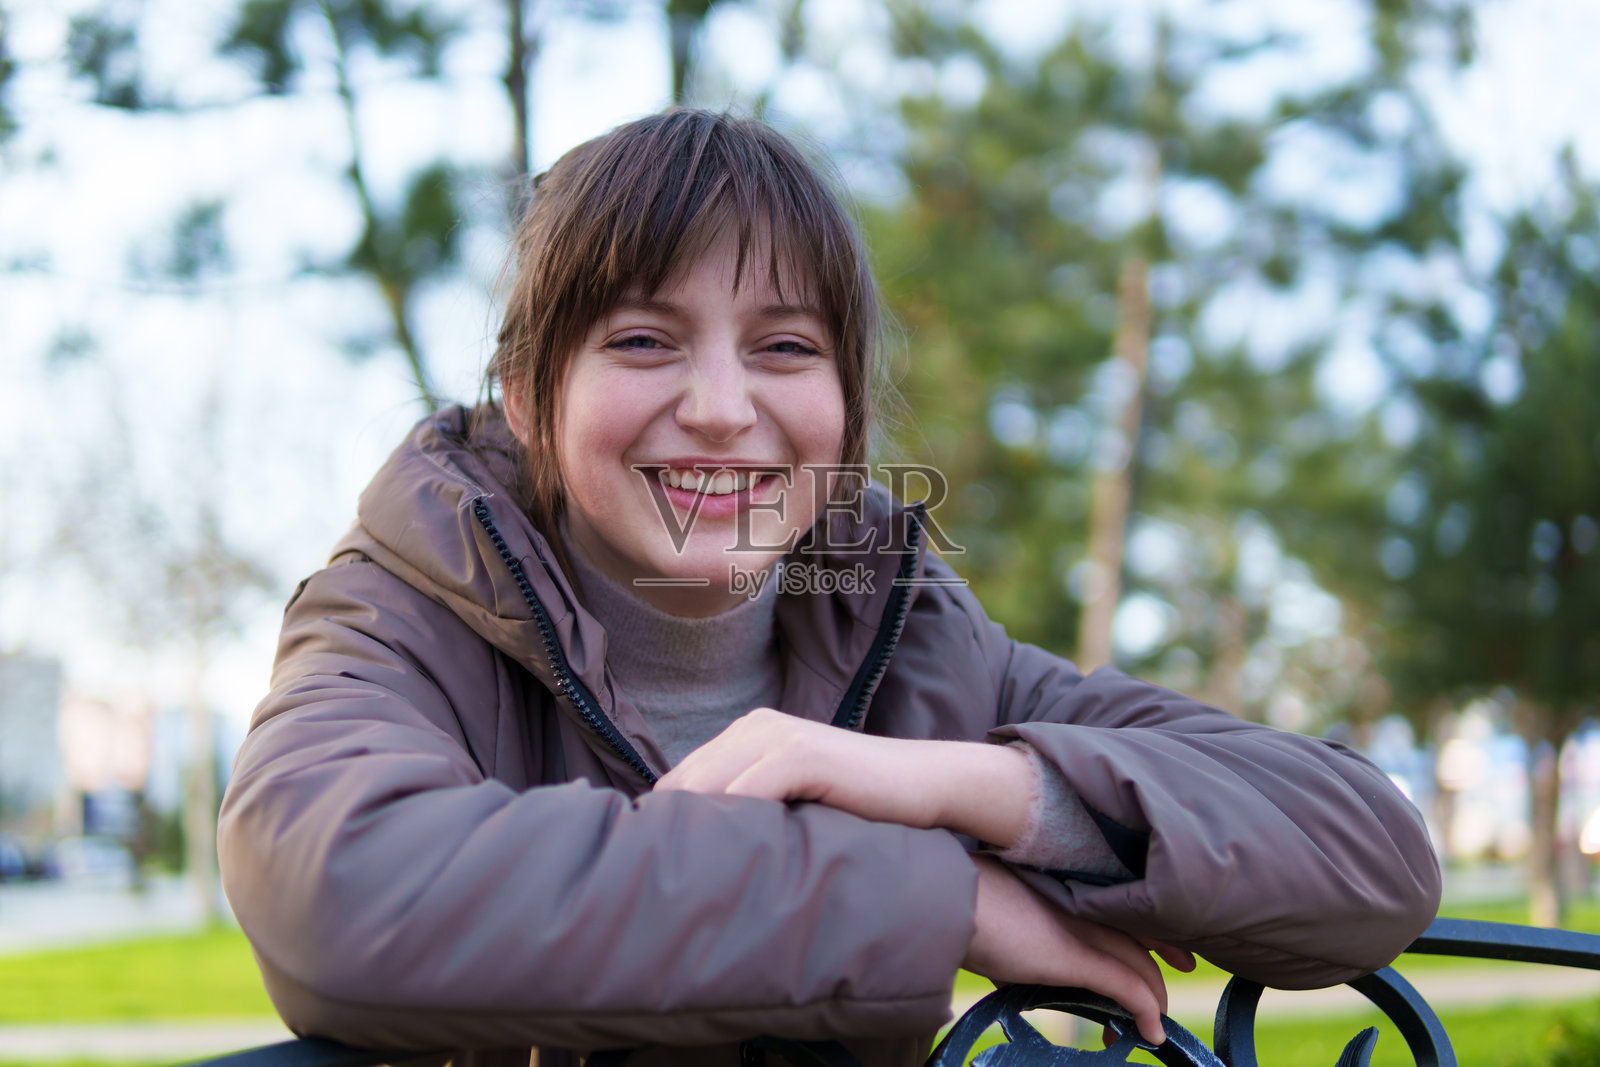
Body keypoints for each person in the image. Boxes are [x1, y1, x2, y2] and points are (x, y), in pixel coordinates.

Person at [217, 109, 1441, 1067]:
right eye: (642, 339)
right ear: (531, 396)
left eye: (785, 347)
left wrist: (952, 782)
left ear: (846, 415)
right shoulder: (402, 609)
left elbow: (1369, 849)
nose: (719, 407)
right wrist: (938, 900)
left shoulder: (917, 644)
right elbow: (338, 890)